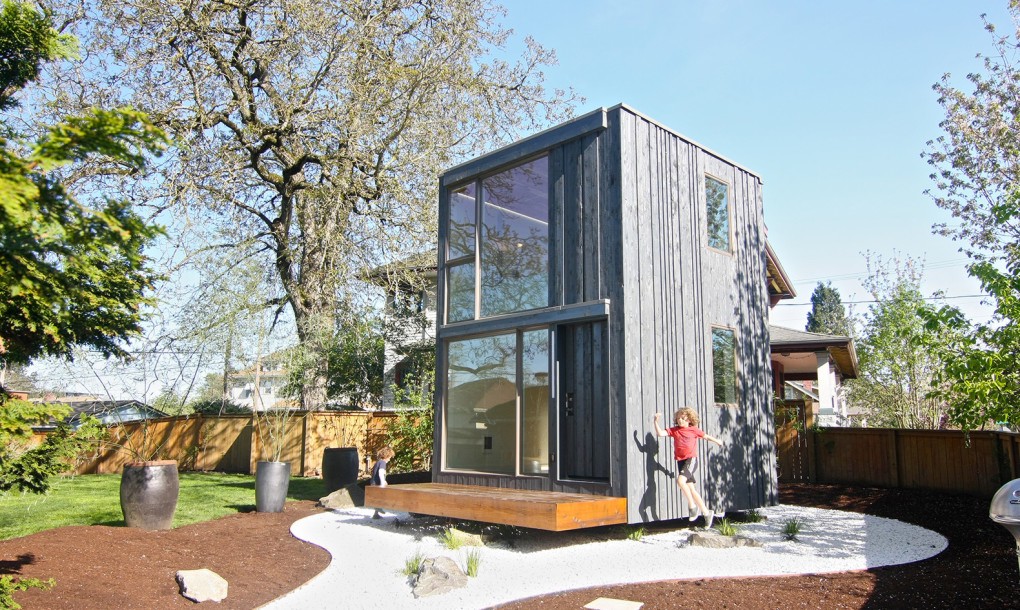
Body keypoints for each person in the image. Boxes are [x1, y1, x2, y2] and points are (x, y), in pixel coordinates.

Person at [653, 407, 723, 528]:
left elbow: (706, 436)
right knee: (691, 489)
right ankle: (707, 513)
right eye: (678, 418)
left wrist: (717, 441)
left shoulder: (693, 430)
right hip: (681, 462)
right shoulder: (675, 430)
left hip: (691, 460)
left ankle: (692, 507)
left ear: (689, 419)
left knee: (680, 481)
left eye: (683, 418)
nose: (680, 420)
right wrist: (655, 422)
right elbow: (660, 433)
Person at [370, 445, 396, 519]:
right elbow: (381, 472)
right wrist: (383, 482)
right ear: (386, 456)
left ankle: (376, 514)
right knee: (381, 497)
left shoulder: (378, 462)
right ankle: (378, 507)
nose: (389, 460)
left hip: (373, 483)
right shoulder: (382, 463)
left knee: (378, 497)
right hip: (377, 483)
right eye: (389, 457)